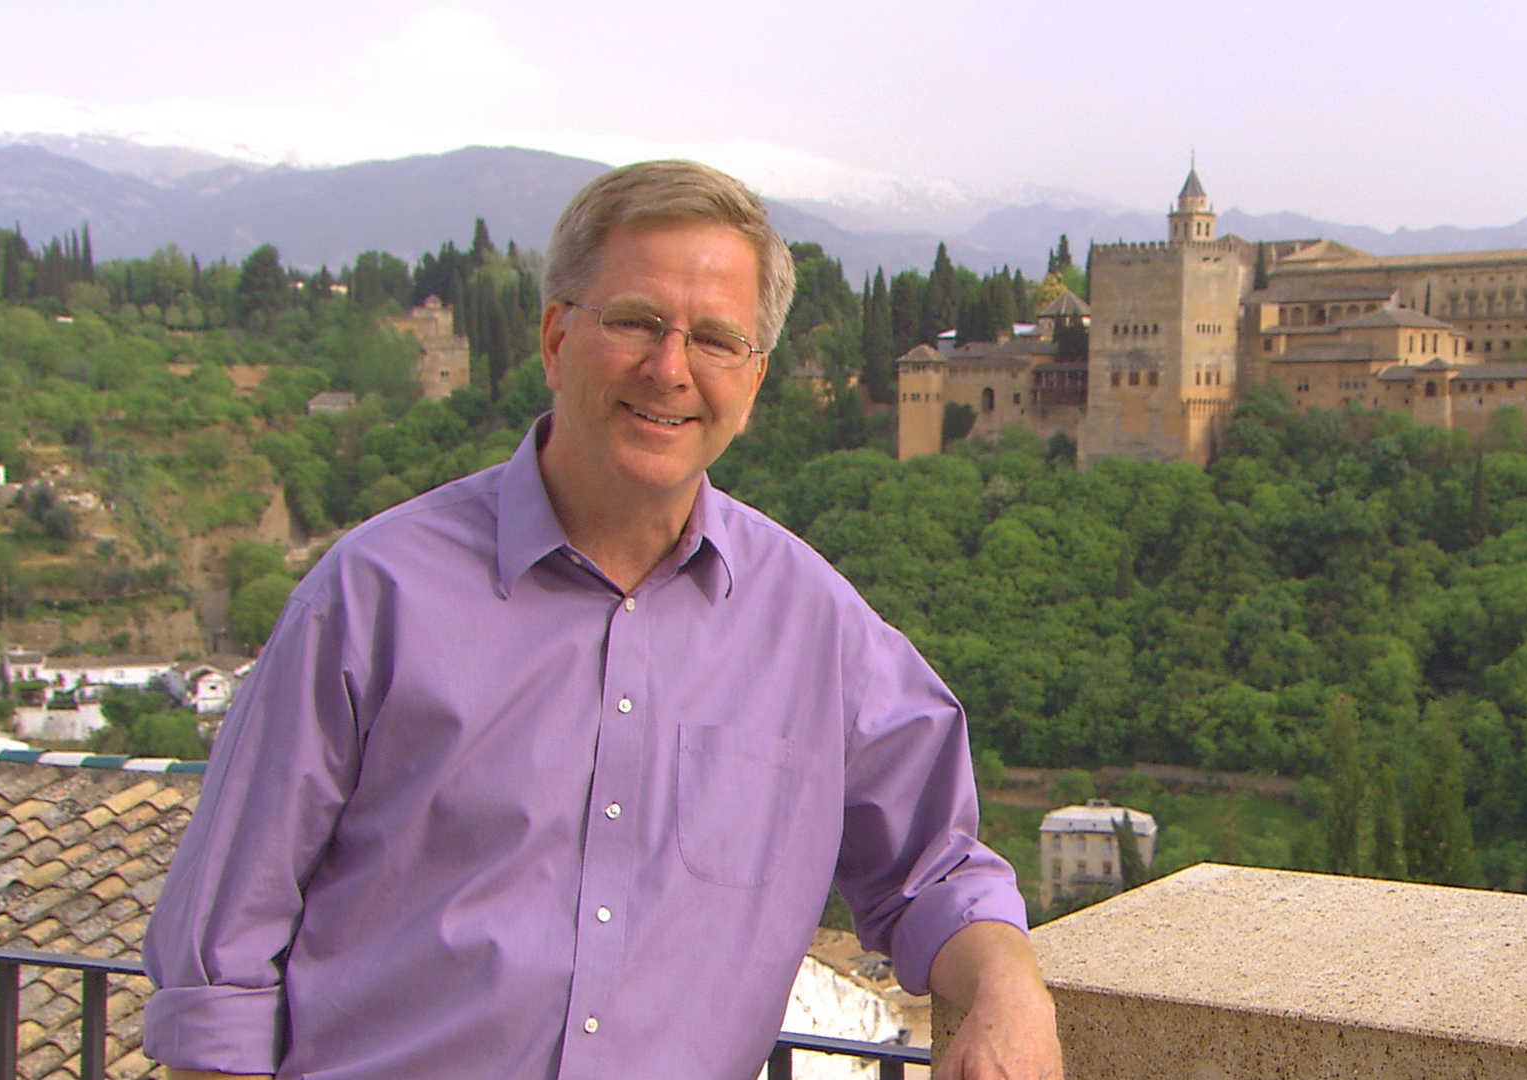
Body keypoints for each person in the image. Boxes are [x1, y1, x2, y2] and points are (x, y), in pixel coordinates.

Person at [142, 159, 1062, 1080]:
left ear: (752, 379)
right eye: (633, 322)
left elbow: (937, 868)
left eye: (714, 339)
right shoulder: (370, 595)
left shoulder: (817, 630)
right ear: (554, 337)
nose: (669, 369)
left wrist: (1012, 992)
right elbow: (218, 978)